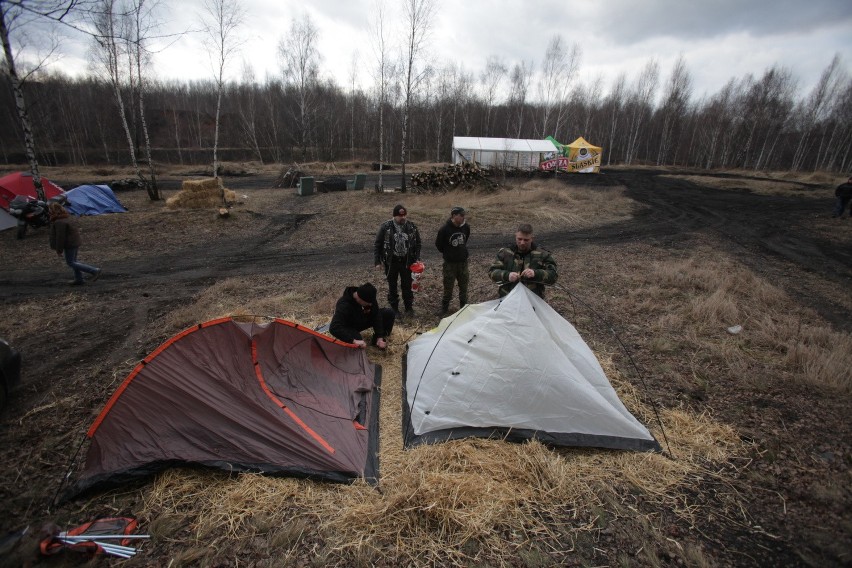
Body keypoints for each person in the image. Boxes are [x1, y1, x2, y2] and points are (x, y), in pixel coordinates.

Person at [374, 204, 421, 316]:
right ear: (394, 216)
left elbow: (418, 243)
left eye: (404, 215)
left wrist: (417, 258)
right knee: (392, 286)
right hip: (392, 262)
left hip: (407, 261)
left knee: (407, 285)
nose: (403, 217)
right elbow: (378, 244)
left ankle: (409, 308)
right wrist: (377, 261)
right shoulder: (386, 227)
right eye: (400, 216)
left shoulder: (412, 227)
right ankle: (394, 309)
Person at [489, 223, 557, 298]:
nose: (522, 243)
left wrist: (536, 273)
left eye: (526, 240)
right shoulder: (505, 253)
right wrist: (507, 275)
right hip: (507, 298)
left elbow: (553, 276)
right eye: (519, 239)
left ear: (532, 238)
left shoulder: (543, 254)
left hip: (533, 300)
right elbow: (492, 272)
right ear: (516, 236)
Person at [49, 202, 102, 286]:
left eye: (50, 210)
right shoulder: (66, 218)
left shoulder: (59, 222)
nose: (49, 212)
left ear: (53, 211)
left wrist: (59, 249)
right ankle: (79, 279)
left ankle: (94, 270)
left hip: (69, 244)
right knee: (74, 261)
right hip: (74, 242)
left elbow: (60, 237)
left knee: (70, 262)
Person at [329, 283, 394, 349]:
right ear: (360, 299)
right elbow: (334, 328)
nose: (371, 305)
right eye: (368, 303)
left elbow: (376, 315)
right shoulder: (344, 305)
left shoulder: (368, 296)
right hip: (349, 326)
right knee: (359, 342)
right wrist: (353, 341)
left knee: (389, 313)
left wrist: (380, 336)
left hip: (362, 320)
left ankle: (378, 342)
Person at [435, 206, 470, 314]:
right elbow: (439, 245)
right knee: (448, 287)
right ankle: (444, 309)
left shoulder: (466, 227)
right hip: (450, 264)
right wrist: (449, 253)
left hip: (463, 263)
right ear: (454, 216)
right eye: (461, 215)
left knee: (464, 286)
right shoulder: (444, 229)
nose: (463, 218)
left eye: (464, 215)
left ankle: (463, 308)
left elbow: (465, 239)